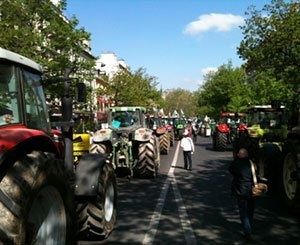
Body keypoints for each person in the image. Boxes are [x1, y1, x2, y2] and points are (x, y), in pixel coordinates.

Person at [228, 148, 255, 241]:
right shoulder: (251, 163)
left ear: (240, 155)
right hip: (252, 190)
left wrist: (236, 159)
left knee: (243, 212)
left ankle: (247, 232)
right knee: (250, 211)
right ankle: (249, 227)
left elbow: (230, 169)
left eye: (239, 154)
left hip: (241, 190)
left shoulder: (237, 163)